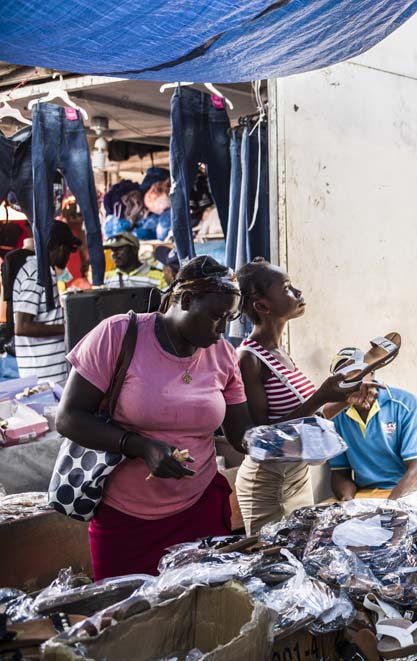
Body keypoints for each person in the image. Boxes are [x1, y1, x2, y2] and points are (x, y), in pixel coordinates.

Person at [56, 256, 253, 579]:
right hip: (126, 519)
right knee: (128, 618)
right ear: (186, 300)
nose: (222, 330)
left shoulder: (224, 355)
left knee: (202, 612)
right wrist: (139, 446)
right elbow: (68, 418)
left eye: (229, 319)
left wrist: (286, 439)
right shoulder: (119, 334)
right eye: (217, 317)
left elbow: (239, 433)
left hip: (199, 508)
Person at [234, 258, 378, 533]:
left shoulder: (281, 353)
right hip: (267, 483)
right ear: (262, 306)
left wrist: (344, 399)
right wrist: (320, 396)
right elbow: (260, 438)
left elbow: (309, 419)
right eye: (287, 288)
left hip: (296, 476)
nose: (298, 293)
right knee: (273, 563)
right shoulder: (249, 358)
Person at [328, 368, 417, 501]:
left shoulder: (405, 403)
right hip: (368, 494)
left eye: (357, 373)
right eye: (344, 376)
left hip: (412, 491)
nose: (352, 380)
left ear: (372, 373)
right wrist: (348, 502)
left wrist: (388, 507)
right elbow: (340, 472)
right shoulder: (336, 415)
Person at [12, 222, 80, 382]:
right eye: (69, 250)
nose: (69, 256)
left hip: (47, 373)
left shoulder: (41, 271)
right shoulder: (36, 273)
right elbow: (22, 327)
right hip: (43, 376)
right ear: (60, 247)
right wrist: (67, 328)